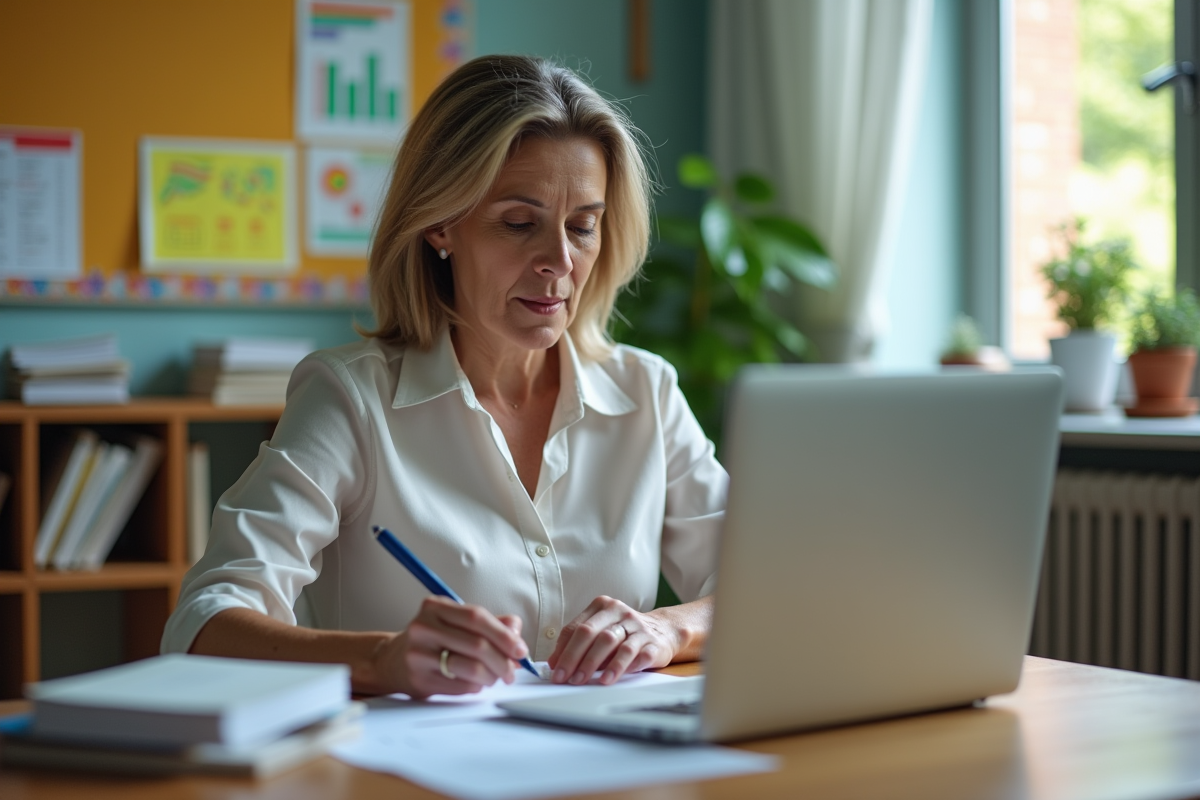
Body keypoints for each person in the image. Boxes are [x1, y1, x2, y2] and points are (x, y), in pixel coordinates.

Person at [161, 55, 727, 700]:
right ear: (440, 226)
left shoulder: (645, 392)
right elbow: (203, 622)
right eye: (519, 223)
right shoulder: (351, 398)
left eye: (583, 227)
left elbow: (771, 582)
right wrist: (383, 660)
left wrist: (668, 630)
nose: (559, 263)